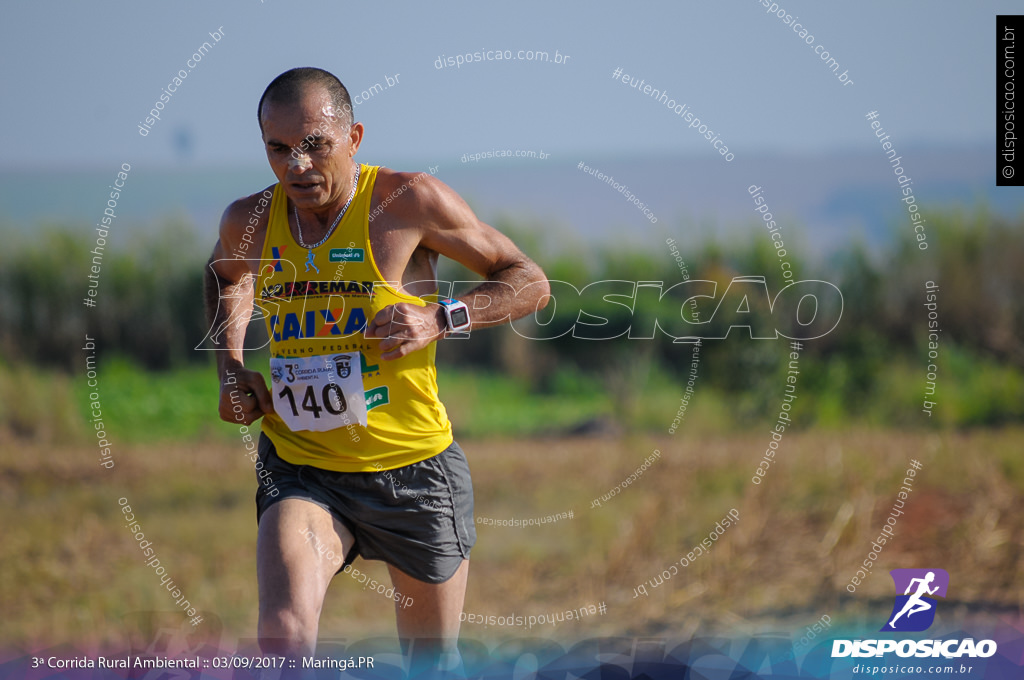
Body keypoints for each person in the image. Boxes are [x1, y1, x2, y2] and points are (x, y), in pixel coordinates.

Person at [203, 67, 549, 675]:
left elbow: (528, 281)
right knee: (282, 638)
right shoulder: (249, 221)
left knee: (430, 664)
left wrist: (442, 318)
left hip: (414, 470)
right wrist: (230, 368)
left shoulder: (407, 201)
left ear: (354, 136)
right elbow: (223, 276)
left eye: (316, 145)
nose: (298, 166)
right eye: (278, 149)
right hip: (302, 466)